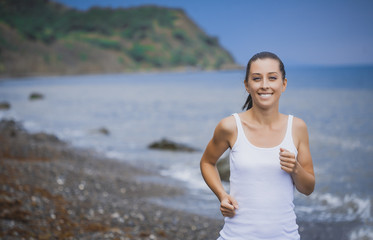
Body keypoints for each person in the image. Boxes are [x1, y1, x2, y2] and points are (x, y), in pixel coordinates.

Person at [200, 51, 315, 239]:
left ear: (283, 84)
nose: (264, 85)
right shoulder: (230, 126)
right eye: (256, 78)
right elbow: (207, 162)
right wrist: (222, 195)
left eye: (272, 78)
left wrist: (296, 169)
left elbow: (308, 188)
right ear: (247, 85)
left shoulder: (297, 127)